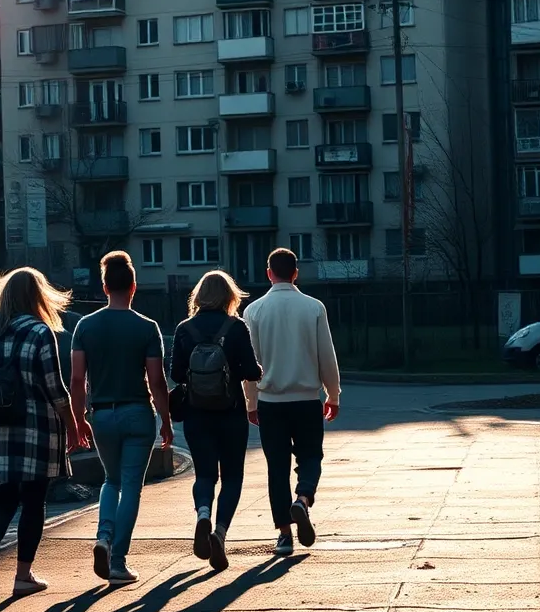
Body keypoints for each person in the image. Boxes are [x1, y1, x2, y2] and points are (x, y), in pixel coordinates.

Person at [0, 266, 90, 609]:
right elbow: (55, 389)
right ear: (38, 296)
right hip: (35, 433)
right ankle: (23, 576)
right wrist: (75, 425)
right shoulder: (40, 332)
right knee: (34, 502)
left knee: (0, 503)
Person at [69, 251, 173, 585]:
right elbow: (156, 380)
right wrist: (166, 420)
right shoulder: (147, 328)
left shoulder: (85, 326)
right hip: (137, 413)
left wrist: (78, 418)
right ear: (133, 286)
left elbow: (76, 380)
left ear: (103, 286)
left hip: (102, 415)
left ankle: (103, 535)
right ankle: (117, 561)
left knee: (110, 480)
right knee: (130, 486)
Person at [242, 247, 341, 557]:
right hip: (307, 398)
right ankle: (303, 499)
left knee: (277, 467)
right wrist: (333, 393)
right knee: (311, 456)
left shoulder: (254, 312)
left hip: (271, 401)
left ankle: (284, 535)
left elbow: (250, 363)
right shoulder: (313, 308)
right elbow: (326, 354)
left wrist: (251, 402)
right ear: (296, 273)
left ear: (269, 273)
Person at [170, 270, 263, 571]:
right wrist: (255, 370)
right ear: (229, 296)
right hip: (231, 413)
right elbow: (250, 370)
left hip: (197, 415)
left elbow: (175, 374)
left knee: (205, 475)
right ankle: (220, 533)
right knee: (233, 476)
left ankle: (202, 514)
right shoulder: (236, 328)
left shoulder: (185, 329)